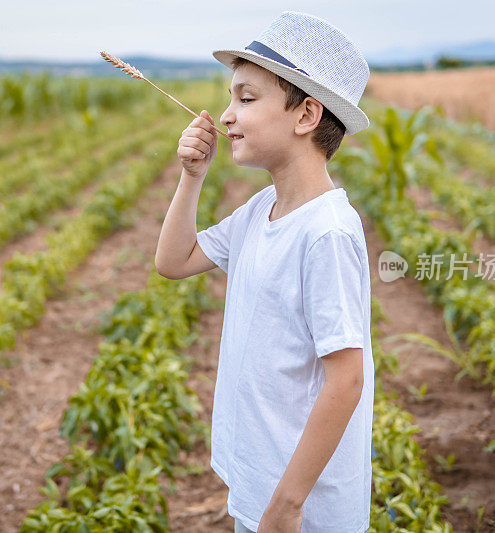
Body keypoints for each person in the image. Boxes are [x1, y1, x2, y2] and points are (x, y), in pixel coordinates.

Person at [154, 11, 374, 533]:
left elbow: (346, 380)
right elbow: (174, 261)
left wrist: (287, 506)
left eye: (246, 99)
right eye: (231, 98)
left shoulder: (327, 232)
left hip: (303, 506)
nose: (227, 115)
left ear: (305, 115)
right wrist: (192, 177)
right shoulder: (260, 210)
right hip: (260, 478)